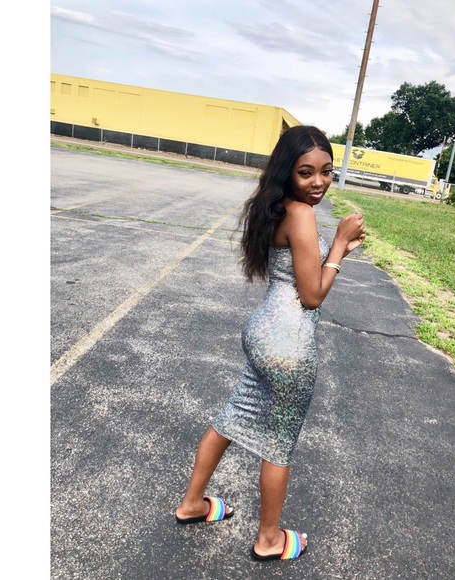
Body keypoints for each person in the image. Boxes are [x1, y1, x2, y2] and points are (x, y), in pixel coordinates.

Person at [175, 125, 365, 561]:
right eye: (306, 172)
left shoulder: (278, 208)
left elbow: (298, 270)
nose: (318, 182)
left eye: (326, 171)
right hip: (289, 344)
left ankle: (192, 504)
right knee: (278, 444)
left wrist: (337, 252)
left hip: (261, 333)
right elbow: (312, 295)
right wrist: (338, 244)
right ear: (287, 172)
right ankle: (269, 539)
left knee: (230, 418)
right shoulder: (302, 215)